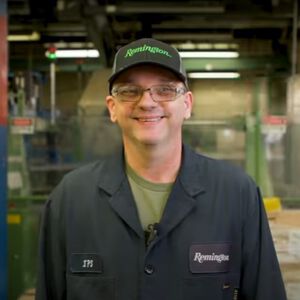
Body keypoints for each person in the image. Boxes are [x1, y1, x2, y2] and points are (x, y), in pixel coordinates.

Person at [36, 38, 287, 300]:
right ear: (112, 108)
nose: (147, 102)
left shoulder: (236, 194)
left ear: (187, 105)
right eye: (130, 91)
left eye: (165, 90)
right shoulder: (70, 199)